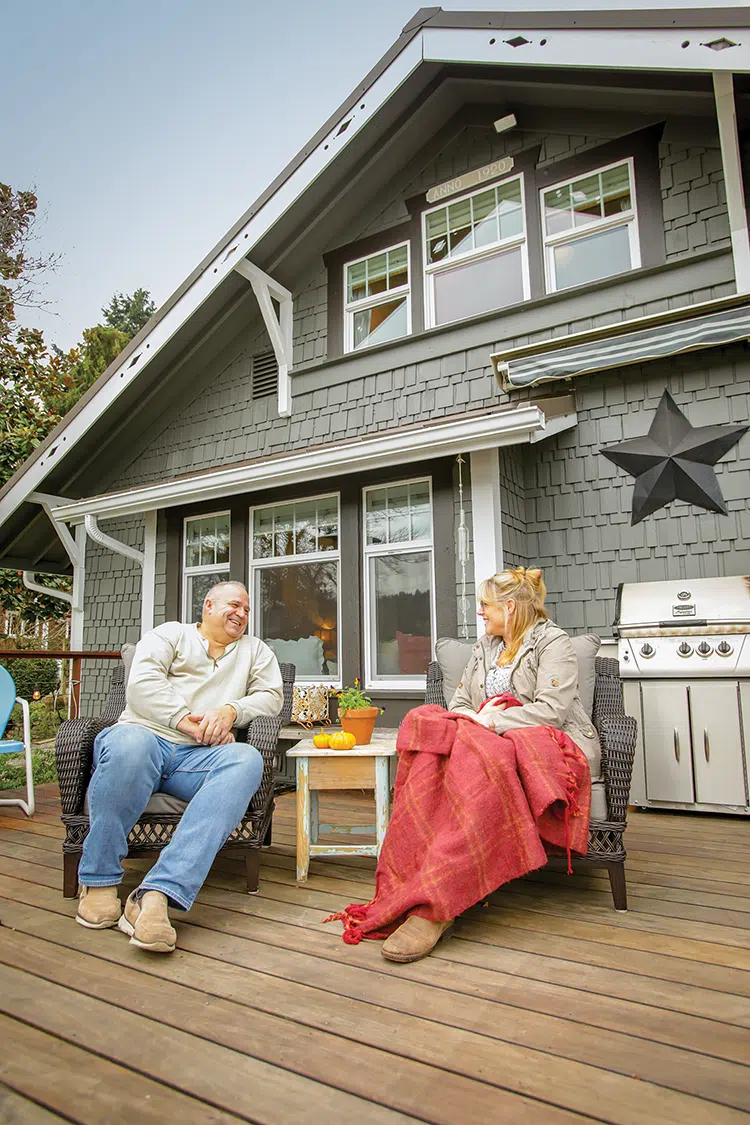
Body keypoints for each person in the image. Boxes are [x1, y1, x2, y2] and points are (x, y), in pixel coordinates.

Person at [377, 565, 600, 963]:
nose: (480, 612)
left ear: (510, 608)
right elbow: (460, 703)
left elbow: (551, 711)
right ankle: (412, 875)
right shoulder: (485, 647)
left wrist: (489, 721)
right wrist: (476, 723)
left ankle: (438, 905)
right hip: (483, 735)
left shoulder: (554, 644)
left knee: (477, 760)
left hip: (544, 739)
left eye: (486, 605)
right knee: (422, 721)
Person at [75, 580, 283, 953]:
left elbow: (271, 696)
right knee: (129, 743)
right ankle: (99, 880)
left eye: (248, 610)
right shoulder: (170, 634)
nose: (242, 614)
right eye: (234, 605)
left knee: (246, 758)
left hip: (197, 758)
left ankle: (157, 893)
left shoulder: (256, 651)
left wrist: (231, 711)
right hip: (145, 737)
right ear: (207, 605)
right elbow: (142, 683)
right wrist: (186, 721)